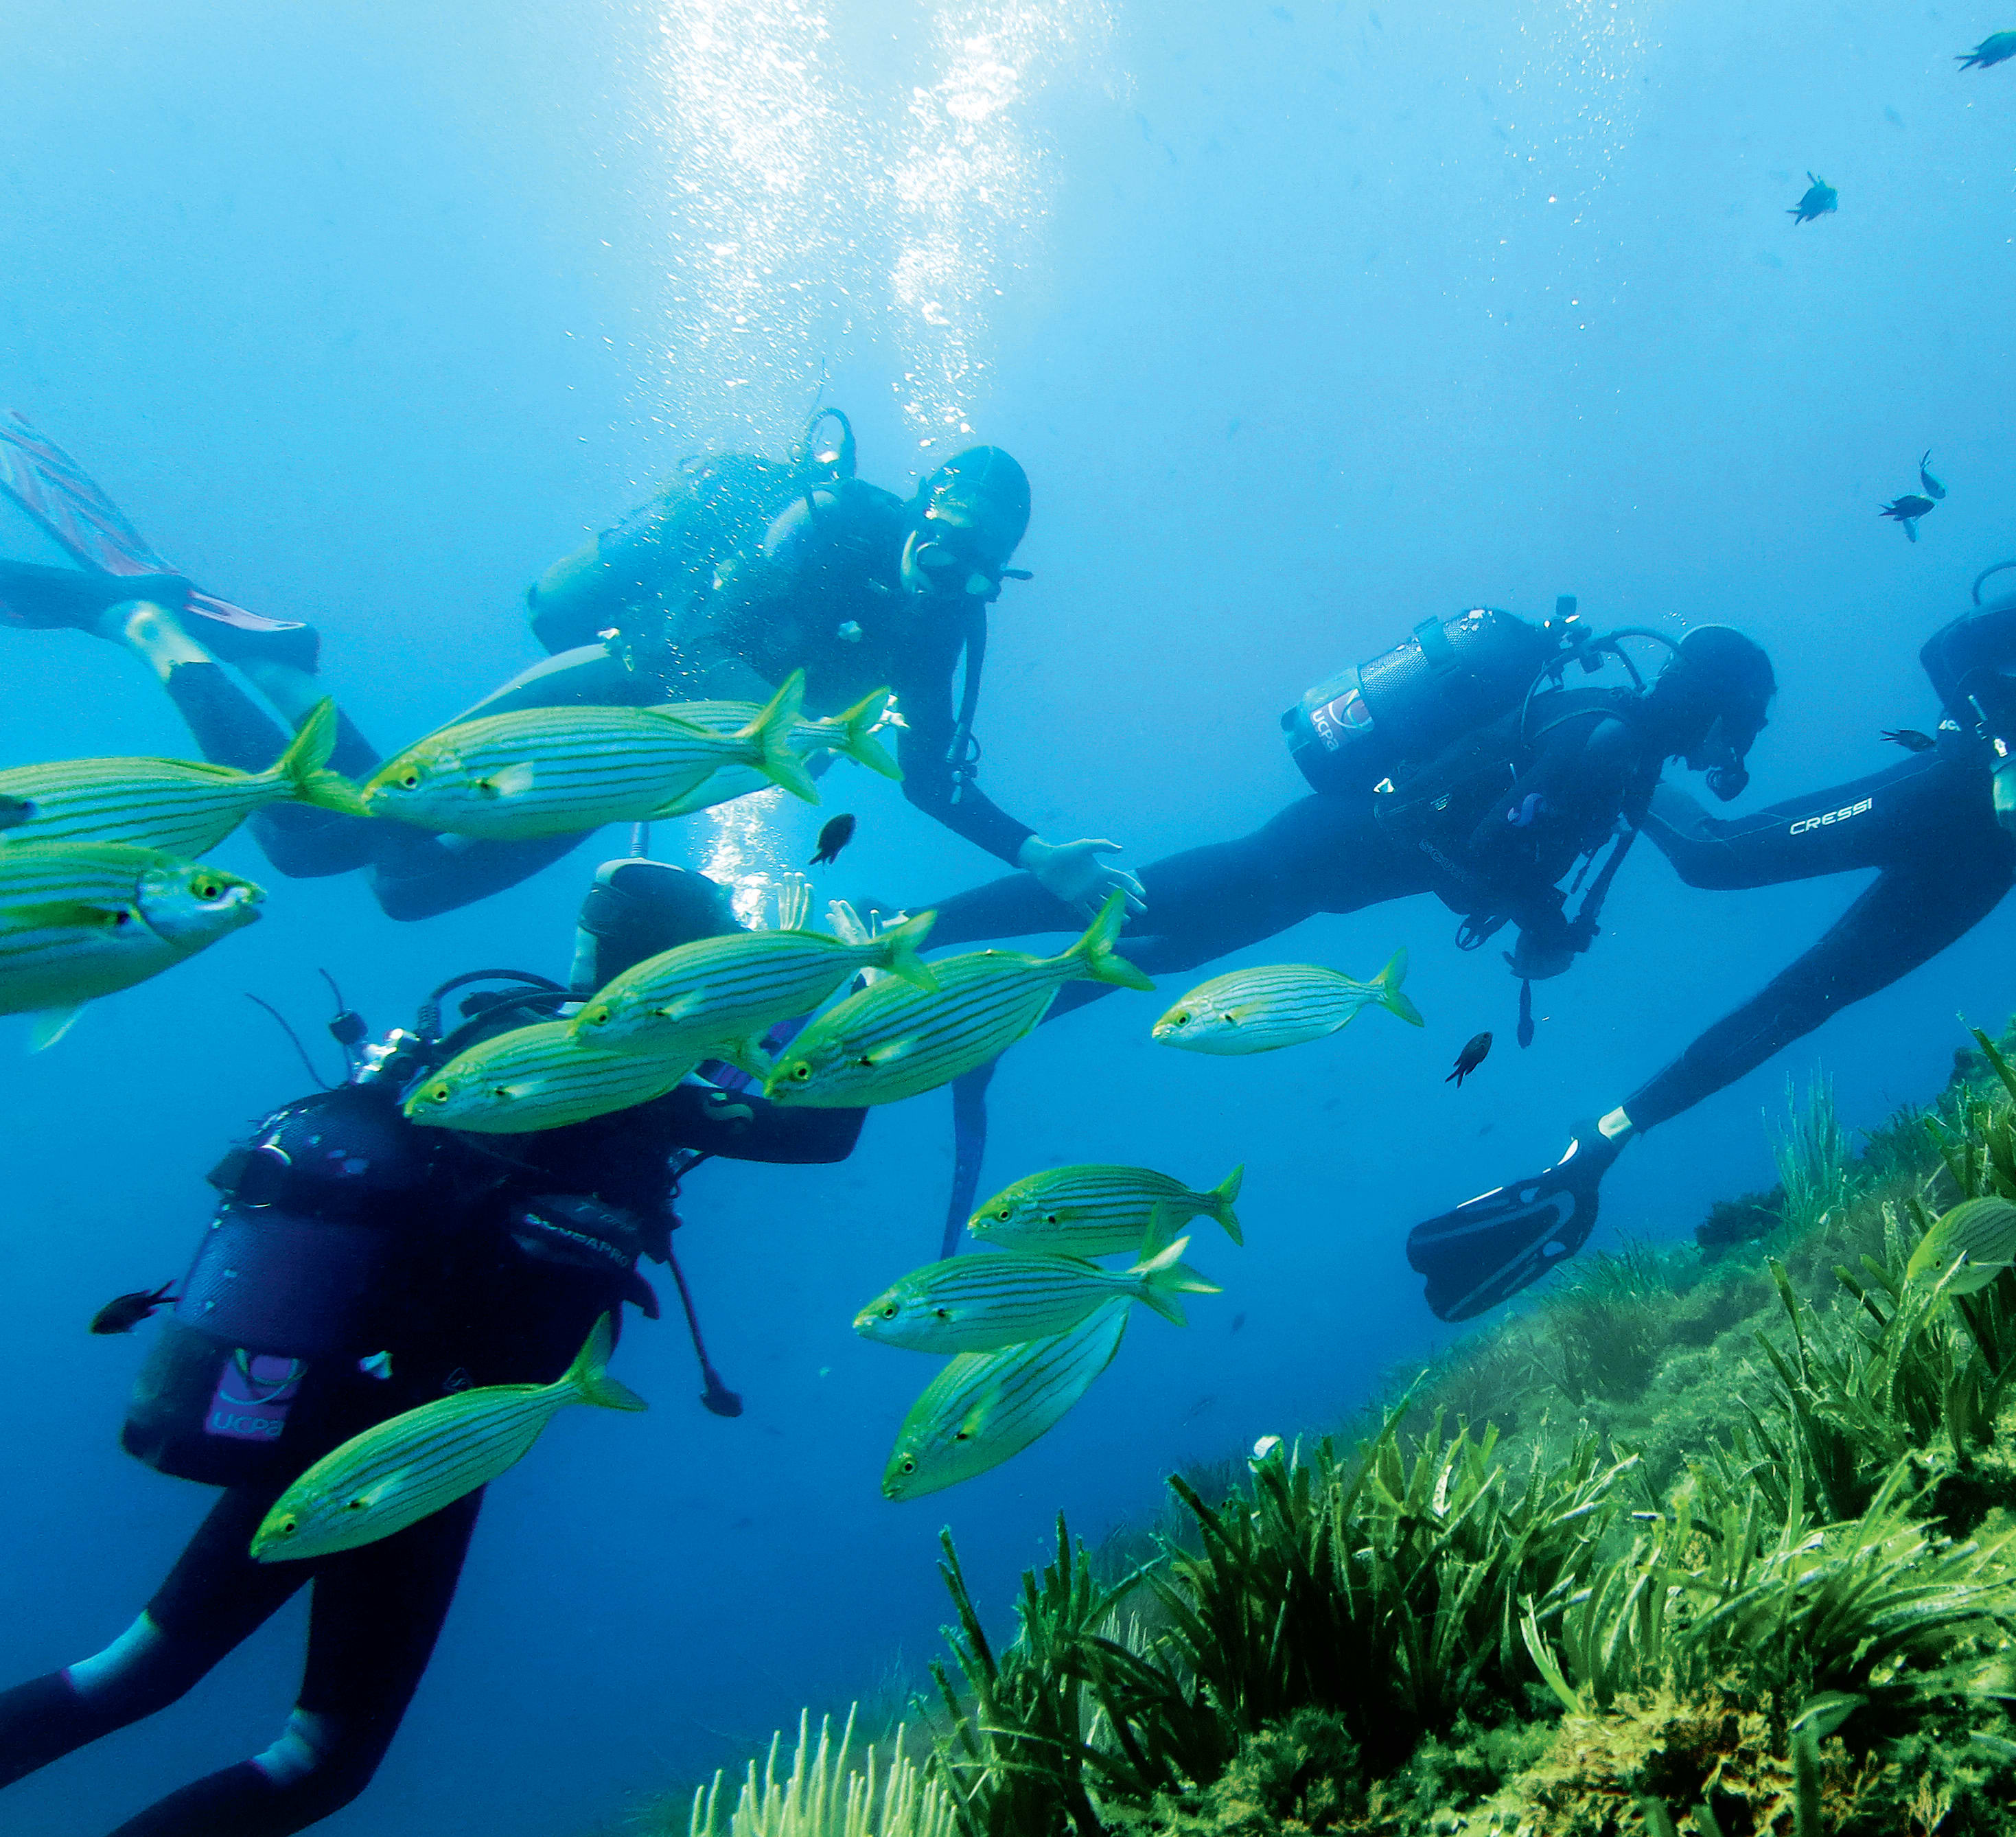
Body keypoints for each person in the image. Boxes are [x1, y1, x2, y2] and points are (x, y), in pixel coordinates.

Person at [0, 860, 864, 1836]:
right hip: (422, 1433)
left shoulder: (503, 1026)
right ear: (680, 959)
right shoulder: (621, 1059)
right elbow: (818, 1134)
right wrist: (861, 993)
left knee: (138, 1669)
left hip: (337, 1391)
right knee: (318, 1759)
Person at [1402, 481, 2016, 1321]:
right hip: (1941, 794)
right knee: (1716, 859)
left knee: (1806, 1003)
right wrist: (2005, 759)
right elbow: (1950, 651)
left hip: (1988, 871)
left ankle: (1602, 1139)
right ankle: (1609, 740)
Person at [0, 410, 1142, 921]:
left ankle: (292, 669)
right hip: (611, 689)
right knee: (321, 839)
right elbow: (694, 636)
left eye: (981, 570)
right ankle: (157, 632)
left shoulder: (949, 626)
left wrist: (1034, 849)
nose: (950, 578)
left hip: (643, 780)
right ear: (925, 510)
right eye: (944, 548)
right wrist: (770, 723)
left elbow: (935, 775)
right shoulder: (833, 515)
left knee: (409, 889)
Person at [917, 612, 1779, 1021]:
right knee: (1133, 903)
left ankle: (975, 1020)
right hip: (1320, 850)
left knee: (1165, 947)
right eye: (1746, 718)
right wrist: (1541, 919)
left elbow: (1506, 835)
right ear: (1714, 704)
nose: (1746, 737)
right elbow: (1491, 845)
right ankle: (908, 933)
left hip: (1333, 867)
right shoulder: (1607, 743)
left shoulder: (1608, 733)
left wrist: (1536, 910)